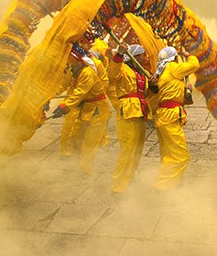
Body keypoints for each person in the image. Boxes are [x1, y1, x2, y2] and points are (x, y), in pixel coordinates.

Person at [52, 43, 111, 173]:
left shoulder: (87, 73)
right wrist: (49, 95)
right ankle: (76, 162)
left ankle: (85, 171)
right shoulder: (72, 70)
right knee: (76, 137)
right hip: (83, 107)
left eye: (73, 62)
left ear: (80, 61)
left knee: (90, 142)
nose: (70, 64)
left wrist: (63, 107)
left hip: (97, 110)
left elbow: (80, 92)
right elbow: (63, 84)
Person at [148, 46, 200, 190]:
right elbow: (194, 65)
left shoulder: (162, 71)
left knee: (168, 154)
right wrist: (187, 55)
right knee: (180, 156)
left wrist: (186, 90)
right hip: (169, 116)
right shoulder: (172, 67)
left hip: (164, 115)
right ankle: (161, 187)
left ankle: (173, 183)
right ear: (175, 58)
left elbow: (171, 93)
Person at [107, 43, 150, 193]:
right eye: (143, 55)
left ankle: (130, 178)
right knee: (128, 148)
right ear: (136, 56)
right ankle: (118, 185)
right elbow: (112, 74)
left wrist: (153, 85)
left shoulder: (142, 72)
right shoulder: (123, 68)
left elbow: (145, 92)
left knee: (137, 148)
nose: (146, 58)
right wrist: (119, 54)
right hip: (128, 110)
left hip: (140, 112)